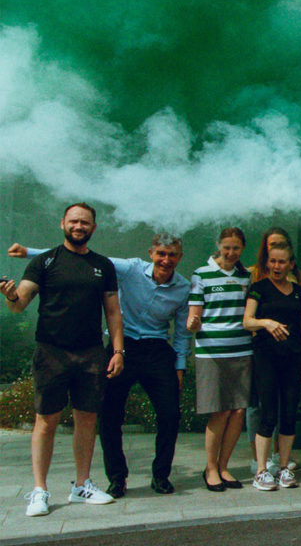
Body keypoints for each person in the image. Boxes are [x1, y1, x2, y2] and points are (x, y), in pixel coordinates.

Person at [15, 233, 193, 497]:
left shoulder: (184, 288)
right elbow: (82, 259)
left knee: (170, 414)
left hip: (157, 350)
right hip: (122, 347)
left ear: (180, 257)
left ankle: (161, 476)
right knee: (109, 416)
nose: (166, 260)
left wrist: (179, 367)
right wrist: (28, 251)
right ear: (151, 253)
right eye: (161, 254)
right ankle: (117, 478)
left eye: (172, 255)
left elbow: (181, 333)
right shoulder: (131, 268)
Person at [3, 204, 123, 516]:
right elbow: (19, 303)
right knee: (46, 420)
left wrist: (118, 351)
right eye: (74, 221)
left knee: (87, 418)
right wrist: (11, 295)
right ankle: (39, 490)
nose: (79, 226)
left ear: (93, 227)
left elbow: (113, 312)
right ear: (62, 224)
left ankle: (82, 485)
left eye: (85, 222)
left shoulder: (103, 266)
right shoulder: (44, 262)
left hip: (91, 353)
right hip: (51, 352)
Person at [187, 227, 253, 491]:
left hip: (242, 350)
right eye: (227, 247)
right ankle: (210, 468)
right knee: (219, 410)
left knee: (238, 411)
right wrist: (193, 323)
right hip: (212, 352)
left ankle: (224, 467)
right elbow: (194, 316)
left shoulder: (246, 276)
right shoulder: (201, 274)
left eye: (236, 248)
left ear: (242, 248)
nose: (231, 252)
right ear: (218, 245)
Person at [243, 243, 301, 491]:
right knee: (268, 413)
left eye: (282, 262)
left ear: (291, 264)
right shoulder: (258, 288)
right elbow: (247, 321)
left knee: (289, 414)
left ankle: (283, 468)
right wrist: (267, 323)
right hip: (266, 357)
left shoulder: (298, 291)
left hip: (292, 357)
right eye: (272, 261)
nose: (276, 266)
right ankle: (261, 470)